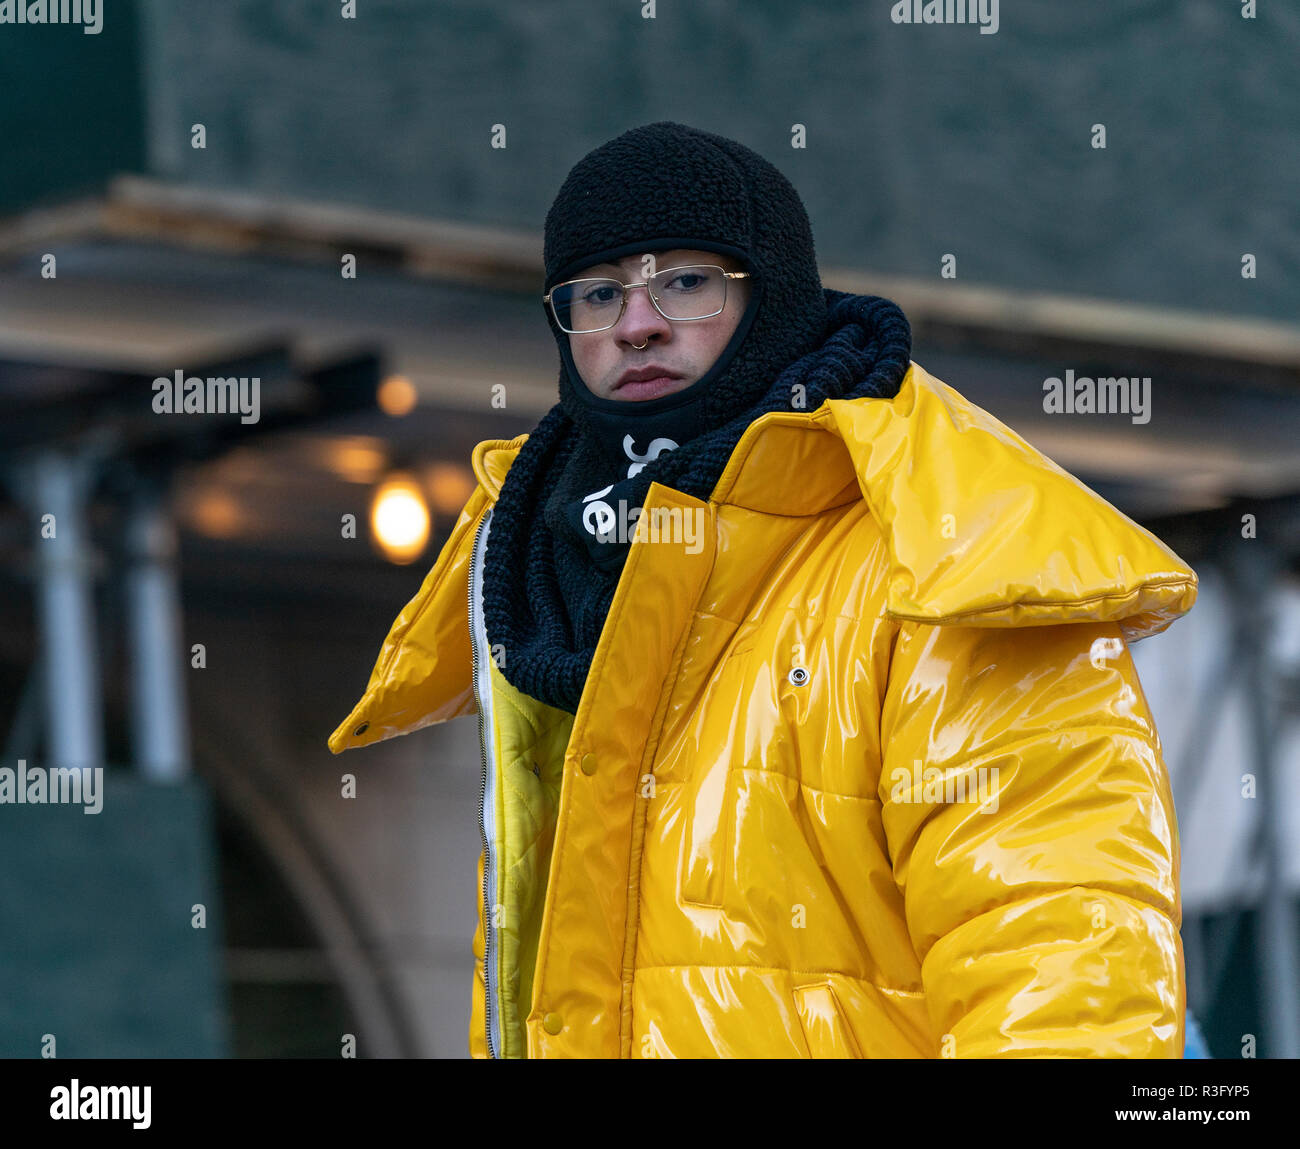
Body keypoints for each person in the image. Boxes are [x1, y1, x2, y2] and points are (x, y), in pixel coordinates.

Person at [328, 121, 1198, 1059]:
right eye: (597, 293)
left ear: (774, 295)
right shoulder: (536, 585)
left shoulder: (945, 556)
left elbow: (1066, 975)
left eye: (686, 281)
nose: (637, 321)